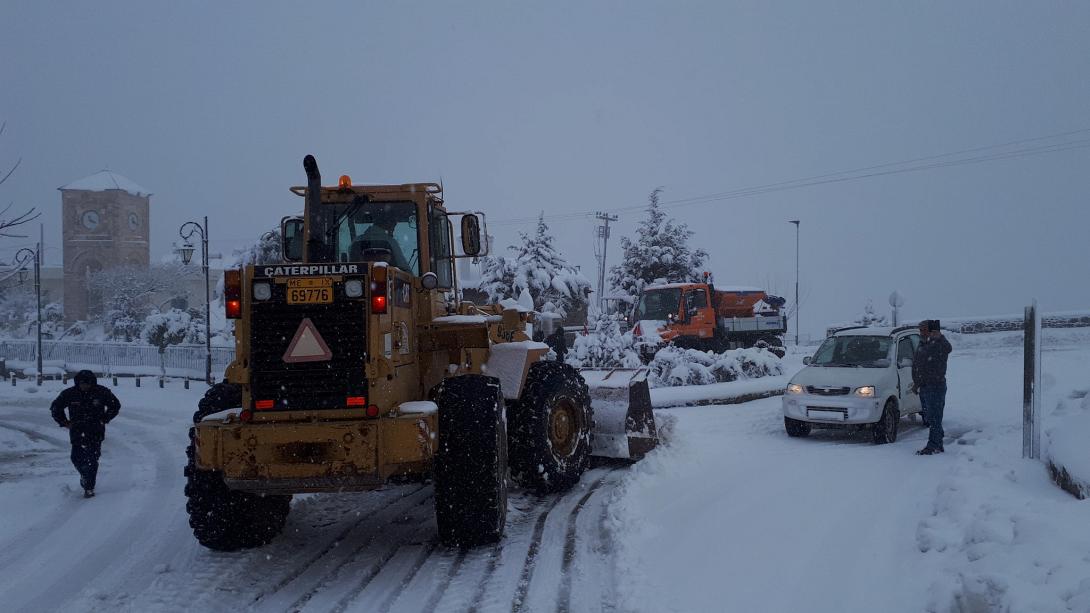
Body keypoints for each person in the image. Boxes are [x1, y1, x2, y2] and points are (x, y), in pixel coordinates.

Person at [50, 370, 121, 497]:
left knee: (92, 459)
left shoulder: (101, 392)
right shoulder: (70, 393)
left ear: (92, 383)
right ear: (78, 383)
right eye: (82, 383)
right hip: (77, 431)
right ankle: (84, 475)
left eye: (87, 384)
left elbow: (115, 405)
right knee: (76, 458)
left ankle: (89, 487)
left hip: (95, 432)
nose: (84, 386)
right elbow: (55, 407)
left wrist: (104, 418)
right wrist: (64, 422)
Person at [912, 320, 952, 455]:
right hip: (924, 386)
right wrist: (917, 383)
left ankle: (934, 445)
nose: (920, 332)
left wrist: (940, 337)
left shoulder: (939, 343)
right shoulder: (924, 342)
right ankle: (937, 440)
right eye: (920, 330)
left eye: (923, 330)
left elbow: (948, 348)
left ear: (931, 331)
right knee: (930, 417)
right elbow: (919, 364)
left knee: (934, 418)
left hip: (935, 386)